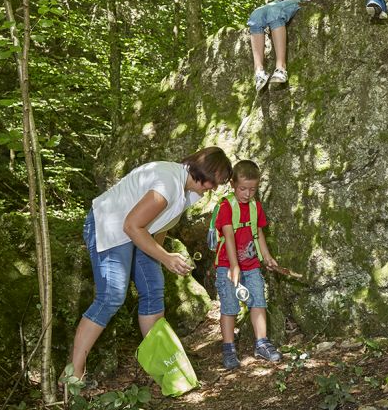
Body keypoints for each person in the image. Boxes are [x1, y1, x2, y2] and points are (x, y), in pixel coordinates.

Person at [68, 146, 233, 385]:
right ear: (203, 171)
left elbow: (161, 225)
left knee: (154, 289)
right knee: (111, 296)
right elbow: (131, 225)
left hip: (136, 233)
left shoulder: (189, 193)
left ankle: (163, 368)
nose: (213, 189)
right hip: (110, 227)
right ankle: (74, 376)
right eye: (213, 182)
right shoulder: (168, 182)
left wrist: (160, 258)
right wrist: (167, 257)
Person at [213, 159, 281, 369]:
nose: (247, 194)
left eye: (253, 189)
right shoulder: (226, 206)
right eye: (243, 188)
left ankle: (261, 343)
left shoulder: (254, 207)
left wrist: (266, 257)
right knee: (230, 306)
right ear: (232, 184)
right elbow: (229, 236)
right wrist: (234, 266)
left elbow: (258, 232)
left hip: (251, 265)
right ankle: (228, 348)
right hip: (227, 265)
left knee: (258, 300)